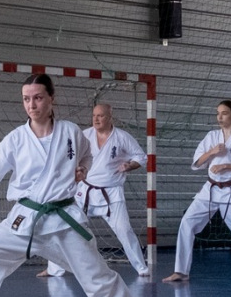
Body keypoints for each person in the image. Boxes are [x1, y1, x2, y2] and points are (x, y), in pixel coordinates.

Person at [0, 74, 152, 297]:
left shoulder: (71, 132)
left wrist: (83, 169)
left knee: (97, 277)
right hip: (24, 219)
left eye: (38, 98)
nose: (31, 105)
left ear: (51, 99)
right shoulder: (15, 139)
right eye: (26, 99)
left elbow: (86, 155)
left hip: (63, 221)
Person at [44, 102, 151, 279]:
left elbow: (141, 157)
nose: (96, 119)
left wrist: (130, 165)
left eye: (100, 116)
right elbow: (69, 155)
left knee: (124, 230)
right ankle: (54, 269)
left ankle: (142, 268)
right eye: (94, 116)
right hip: (85, 192)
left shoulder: (122, 137)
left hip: (111, 194)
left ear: (110, 117)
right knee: (64, 224)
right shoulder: (85, 135)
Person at [166, 100, 231, 283]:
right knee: (187, 223)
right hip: (210, 190)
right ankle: (181, 271)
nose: (220, 117)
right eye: (218, 113)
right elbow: (197, 163)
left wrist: (226, 166)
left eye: (224, 113)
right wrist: (212, 152)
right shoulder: (212, 136)